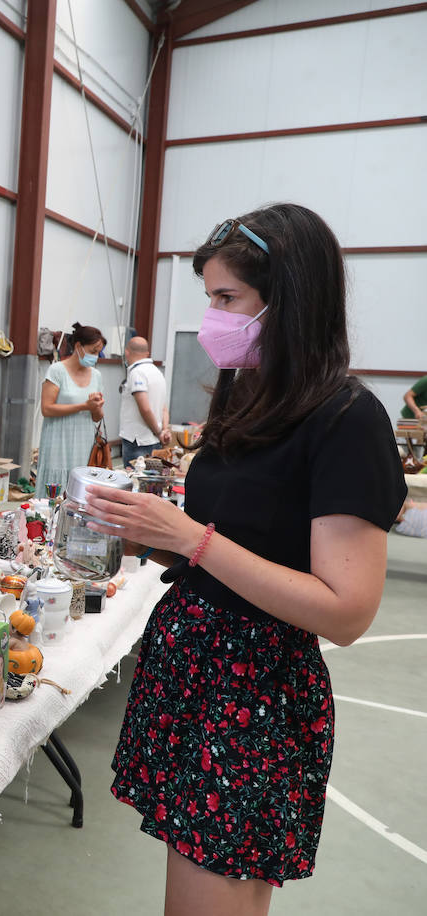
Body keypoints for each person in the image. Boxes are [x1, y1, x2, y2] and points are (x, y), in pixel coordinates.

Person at [88, 204, 405, 914]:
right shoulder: (252, 395)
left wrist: (188, 538)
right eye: (210, 299)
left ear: (287, 299)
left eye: (227, 300)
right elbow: (242, 529)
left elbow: (346, 610)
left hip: (250, 698)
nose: (214, 319)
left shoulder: (347, 419)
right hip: (197, 679)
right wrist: (139, 527)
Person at [37, 323, 105, 493]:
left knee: (80, 489)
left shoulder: (96, 376)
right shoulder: (57, 371)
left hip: (84, 442)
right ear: (78, 346)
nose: (95, 357)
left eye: (98, 353)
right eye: (93, 351)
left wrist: (96, 407)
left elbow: (97, 417)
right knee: (54, 489)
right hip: (58, 440)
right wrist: (84, 406)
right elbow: (47, 408)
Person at [118, 336, 171, 466]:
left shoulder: (137, 373)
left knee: (135, 483)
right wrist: (164, 430)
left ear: (127, 352)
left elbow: (145, 408)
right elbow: (163, 407)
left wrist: (159, 432)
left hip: (137, 441)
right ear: (147, 353)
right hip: (154, 440)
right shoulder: (157, 372)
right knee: (153, 483)